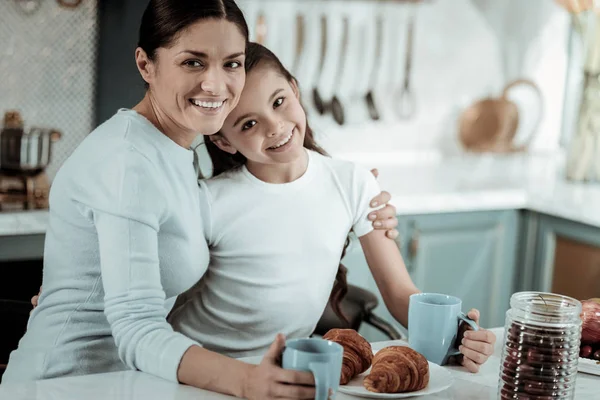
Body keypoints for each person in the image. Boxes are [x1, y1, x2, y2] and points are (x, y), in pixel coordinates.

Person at [3, 1, 399, 398]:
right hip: (62, 384)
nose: (216, 84)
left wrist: (345, 195)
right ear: (146, 65)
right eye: (193, 62)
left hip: (130, 383)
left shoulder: (174, 152)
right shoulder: (128, 161)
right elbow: (136, 327)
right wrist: (245, 380)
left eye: (231, 63)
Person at [167, 41, 497, 387]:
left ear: (295, 89)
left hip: (282, 374)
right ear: (223, 141)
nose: (275, 127)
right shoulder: (208, 202)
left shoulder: (354, 184)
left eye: (279, 102)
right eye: (248, 124)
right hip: (201, 373)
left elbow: (400, 294)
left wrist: (458, 333)